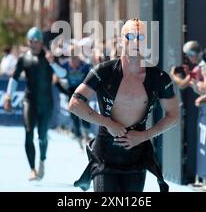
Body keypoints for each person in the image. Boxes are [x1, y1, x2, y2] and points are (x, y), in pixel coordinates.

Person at [69, 18, 179, 192]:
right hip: (105, 153)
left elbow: (174, 115)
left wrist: (145, 135)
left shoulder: (158, 78)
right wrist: (108, 123)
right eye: (130, 36)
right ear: (121, 41)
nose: (135, 41)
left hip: (137, 153)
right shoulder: (104, 72)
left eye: (141, 37)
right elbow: (75, 104)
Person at [3, 27, 67, 181]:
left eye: (36, 41)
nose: (34, 44)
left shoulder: (49, 57)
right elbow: (14, 78)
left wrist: (53, 63)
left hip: (46, 103)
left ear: (41, 42)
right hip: (29, 101)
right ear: (28, 41)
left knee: (42, 136)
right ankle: (32, 169)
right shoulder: (23, 58)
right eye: (31, 41)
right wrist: (8, 97)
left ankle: (42, 160)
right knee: (29, 132)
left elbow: (63, 74)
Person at [58, 46, 92, 149]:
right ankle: (79, 140)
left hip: (83, 93)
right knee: (74, 117)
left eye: (75, 57)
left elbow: (91, 80)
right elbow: (56, 78)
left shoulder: (85, 66)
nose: (72, 59)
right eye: (70, 57)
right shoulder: (64, 65)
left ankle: (86, 137)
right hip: (71, 92)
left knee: (85, 115)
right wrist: (63, 89)